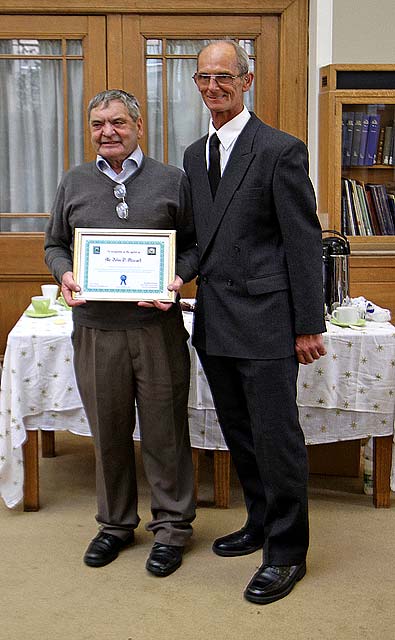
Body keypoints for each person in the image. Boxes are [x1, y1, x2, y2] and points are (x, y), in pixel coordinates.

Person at [183, 40, 327, 604]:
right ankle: (261, 520)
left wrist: (308, 322)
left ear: (246, 81)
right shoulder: (196, 155)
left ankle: (288, 552)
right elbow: (201, 239)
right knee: (238, 434)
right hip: (215, 319)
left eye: (224, 76)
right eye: (204, 79)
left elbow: (303, 242)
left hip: (268, 320)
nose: (213, 87)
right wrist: (174, 277)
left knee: (276, 438)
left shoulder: (280, 149)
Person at [45, 89, 198, 577]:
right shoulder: (74, 181)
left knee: (165, 431)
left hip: (156, 328)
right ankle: (114, 525)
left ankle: (172, 527)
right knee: (107, 430)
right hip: (95, 330)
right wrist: (64, 275)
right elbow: (54, 245)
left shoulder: (173, 180)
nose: (107, 132)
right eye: (97, 124)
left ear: (138, 126)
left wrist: (176, 281)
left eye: (117, 122)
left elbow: (195, 246)